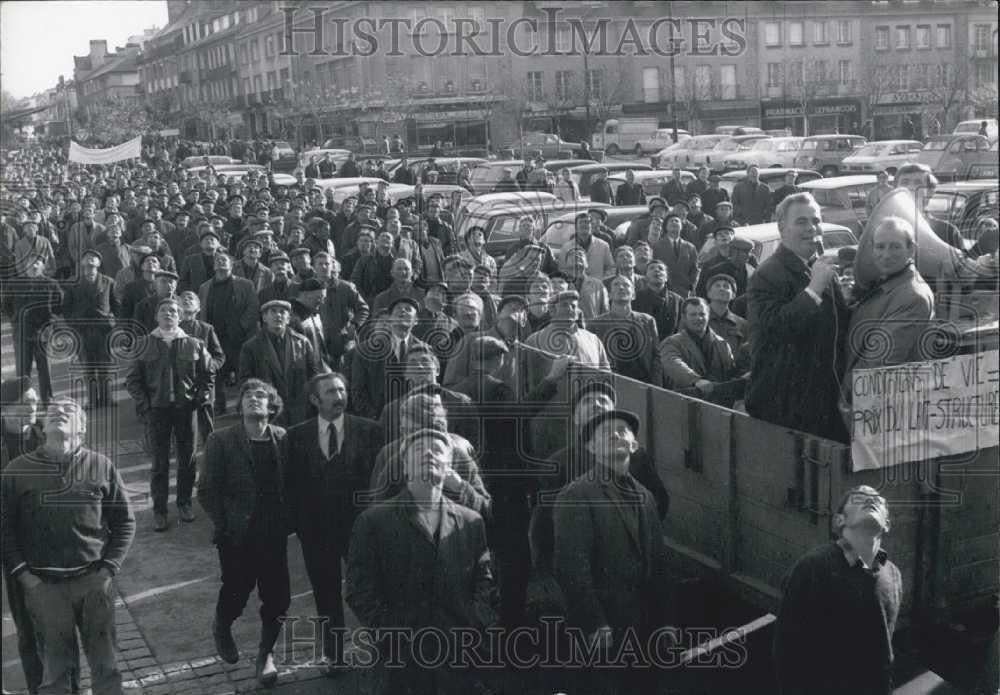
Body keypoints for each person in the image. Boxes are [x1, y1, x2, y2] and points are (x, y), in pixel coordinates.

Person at [345, 428, 496, 695]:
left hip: (460, 654)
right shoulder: (373, 521)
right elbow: (360, 591)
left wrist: (474, 621)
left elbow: (483, 581)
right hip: (401, 659)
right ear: (404, 466)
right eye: (418, 450)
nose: (429, 453)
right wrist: (390, 633)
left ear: (449, 465)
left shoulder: (471, 521)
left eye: (437, 449)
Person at [1, 397, 135, 695]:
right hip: (44, 588)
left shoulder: (101, 466)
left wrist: (107, 571)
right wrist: (27, 579)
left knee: (107, 667)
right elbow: (5, 531)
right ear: (43, 425)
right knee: (55, 675)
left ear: (82, 430)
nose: (58, 412)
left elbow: (125, 522)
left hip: (93, 584)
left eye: (68, 411)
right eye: (52, 411)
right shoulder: (16, 471)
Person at [552, 409, 671, 694]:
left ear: (634, 445)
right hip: (602, 631)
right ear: (591, 447)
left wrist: (666, 621)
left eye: (622, 430)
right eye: (605, 432)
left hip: (644, 630)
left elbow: (659, 565)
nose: (616, 434)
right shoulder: (577, 494)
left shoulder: (645, 496)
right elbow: (571, 568)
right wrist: (595, 624)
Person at [286, 372, 382, 676]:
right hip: (316, 531)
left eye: (342, 390)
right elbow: (289, 486)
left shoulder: (370, 431)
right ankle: (335, 655)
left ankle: (384, 647)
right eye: (330, 392)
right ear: (315, 399)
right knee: (325, 592)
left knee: (369, 588)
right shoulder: (296, 436)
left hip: (360, 529)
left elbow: (380, 482)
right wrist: (301, 525)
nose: (339, 396)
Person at [198, 379, 291, 688]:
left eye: (261, 395)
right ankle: (222, 625)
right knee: (237, 590)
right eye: (248, 396)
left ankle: (266, 654)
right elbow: (208, 490)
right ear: (240, 407)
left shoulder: (282, 438)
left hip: (273, 533)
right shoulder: (220, 440)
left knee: (278, 598)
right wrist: (225, 525)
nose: (253, 399)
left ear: (272, 406)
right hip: (237, 534)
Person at [773, 486, 902, 695]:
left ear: (886, 524)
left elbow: (884, 650)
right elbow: (786, 649)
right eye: (858, 498)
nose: (870, 500)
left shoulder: (893, 574)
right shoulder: (813, 566)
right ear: (840, 520)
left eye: (877, 500)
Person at [747, 192, 850, 442]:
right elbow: (775, 329)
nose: (811, 228)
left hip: (822, 400)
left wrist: (848, 299)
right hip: (784, 406)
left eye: (815, 221)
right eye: (801, 222)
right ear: (782, 228)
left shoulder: (819, 267)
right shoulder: (766, 274)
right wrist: (814, 289)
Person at [126, 297, 215, 531]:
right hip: (157, 411)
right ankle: (160, 510)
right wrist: (146, 406)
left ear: (180, 316)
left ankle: (184, 503)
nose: (169, 314)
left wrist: (200, 397)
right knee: (160, 462)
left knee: (187, 459)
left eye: (173, 311)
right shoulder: (144, 344)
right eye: (164, 311)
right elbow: (133, 381)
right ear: (156, 317)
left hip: (186, 410)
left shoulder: (193, 344)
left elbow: (208, 374)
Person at [844, 216, 935, 379]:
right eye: (880, 247)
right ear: (872, 249)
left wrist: (845, 396)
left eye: (895, 247)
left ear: (911, 249)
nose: (886, 255)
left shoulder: (913, 296)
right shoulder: (890, 281)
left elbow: (878, 362)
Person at [239, 299, 324, 426]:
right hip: (269, 409)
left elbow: (314, 375)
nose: (278, 315)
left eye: (282, 312)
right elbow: (245, 381)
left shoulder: (303, 343)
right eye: (273, 311)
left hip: (299, 409)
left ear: (288, 319)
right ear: (264, 318)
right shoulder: (251, 347)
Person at [199, 253, 259, 414]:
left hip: (240, 336)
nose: (220, 261)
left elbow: (253, 308)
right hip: (215, 336)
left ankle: (243, 406)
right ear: (213, 266)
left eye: (224, 259)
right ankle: (219, 406)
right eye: (217, 260)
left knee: (243, 372)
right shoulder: (205, 287)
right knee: (216, 372)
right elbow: (202, 312)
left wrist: (241, 327)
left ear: (231, 265)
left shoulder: (246, 285)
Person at [350, 296, 429, 419]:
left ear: (416, 321)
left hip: (415, 421)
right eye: (397, 309)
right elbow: (358, 392)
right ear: (390, 318)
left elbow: (429, 389)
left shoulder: (426, 352)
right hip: (377, 423)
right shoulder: (366, 350)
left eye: (408, 309)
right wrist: (376, 419)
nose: (402, 311)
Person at [659, 297, 743, 406]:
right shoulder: (672, 342)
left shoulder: (722, 344)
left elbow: (730, 373)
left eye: (702, 314)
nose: (698, 318)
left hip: (718, 408)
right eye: (693, 315)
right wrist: (695, 380)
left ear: (708, 316)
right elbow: (672, 362)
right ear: (684, 317)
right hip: (683, 405)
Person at [590, 275, 663, 385]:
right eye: (616, 284)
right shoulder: (595, 324)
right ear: (609, 295)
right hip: (611, 384)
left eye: (626, 285)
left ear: (633, 295)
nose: (621, 287)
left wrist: (657, 386)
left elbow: (656, 356)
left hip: (645, 385)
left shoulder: (648, 321)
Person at [10, 256, 62, 403]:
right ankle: (23, 400)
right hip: (22, 333)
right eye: (30, 262)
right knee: (22, 371)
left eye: (37, 262)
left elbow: (58, 307)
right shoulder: (15, 284)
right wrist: (16, 320)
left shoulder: (51, 284)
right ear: (25, 265)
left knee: (45, 370)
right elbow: (7, 305)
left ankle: (48, 401)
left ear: (43, 267)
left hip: (43, 334)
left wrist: (50, 323)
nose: (33, 265)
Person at [894, 163, 965, 252]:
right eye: (905, 182)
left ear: (930, 191)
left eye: (918, 182)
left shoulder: (948, 232)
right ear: (895, 190)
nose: (911, 187)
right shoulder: (881, 227)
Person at [632, 259, 684, 340]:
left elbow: (682, 328)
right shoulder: (636, 299)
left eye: (661, 269)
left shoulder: (678, 300)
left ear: (666, 278)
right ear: (645, 277)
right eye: (651, 268)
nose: (656, 270)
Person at [652, 213, 700, 297]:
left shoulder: (690, 247)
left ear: (681, 227)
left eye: (677, 221)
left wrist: (691, 288)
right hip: (664, 290)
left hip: (685, 291)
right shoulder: (656, 246)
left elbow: (694, 270)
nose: (674, 222)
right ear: (666, 227)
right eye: (671, 221)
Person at [559, 212, 615, 280]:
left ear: (592, 226)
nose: (584, 225)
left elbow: (611, 268)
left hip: (597, 287)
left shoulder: (603, 245)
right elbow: (562, 270)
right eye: (581, 222)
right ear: (576, 227)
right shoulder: (566, 248)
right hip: (575, 287)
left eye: (587, 222)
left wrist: (601, 280)